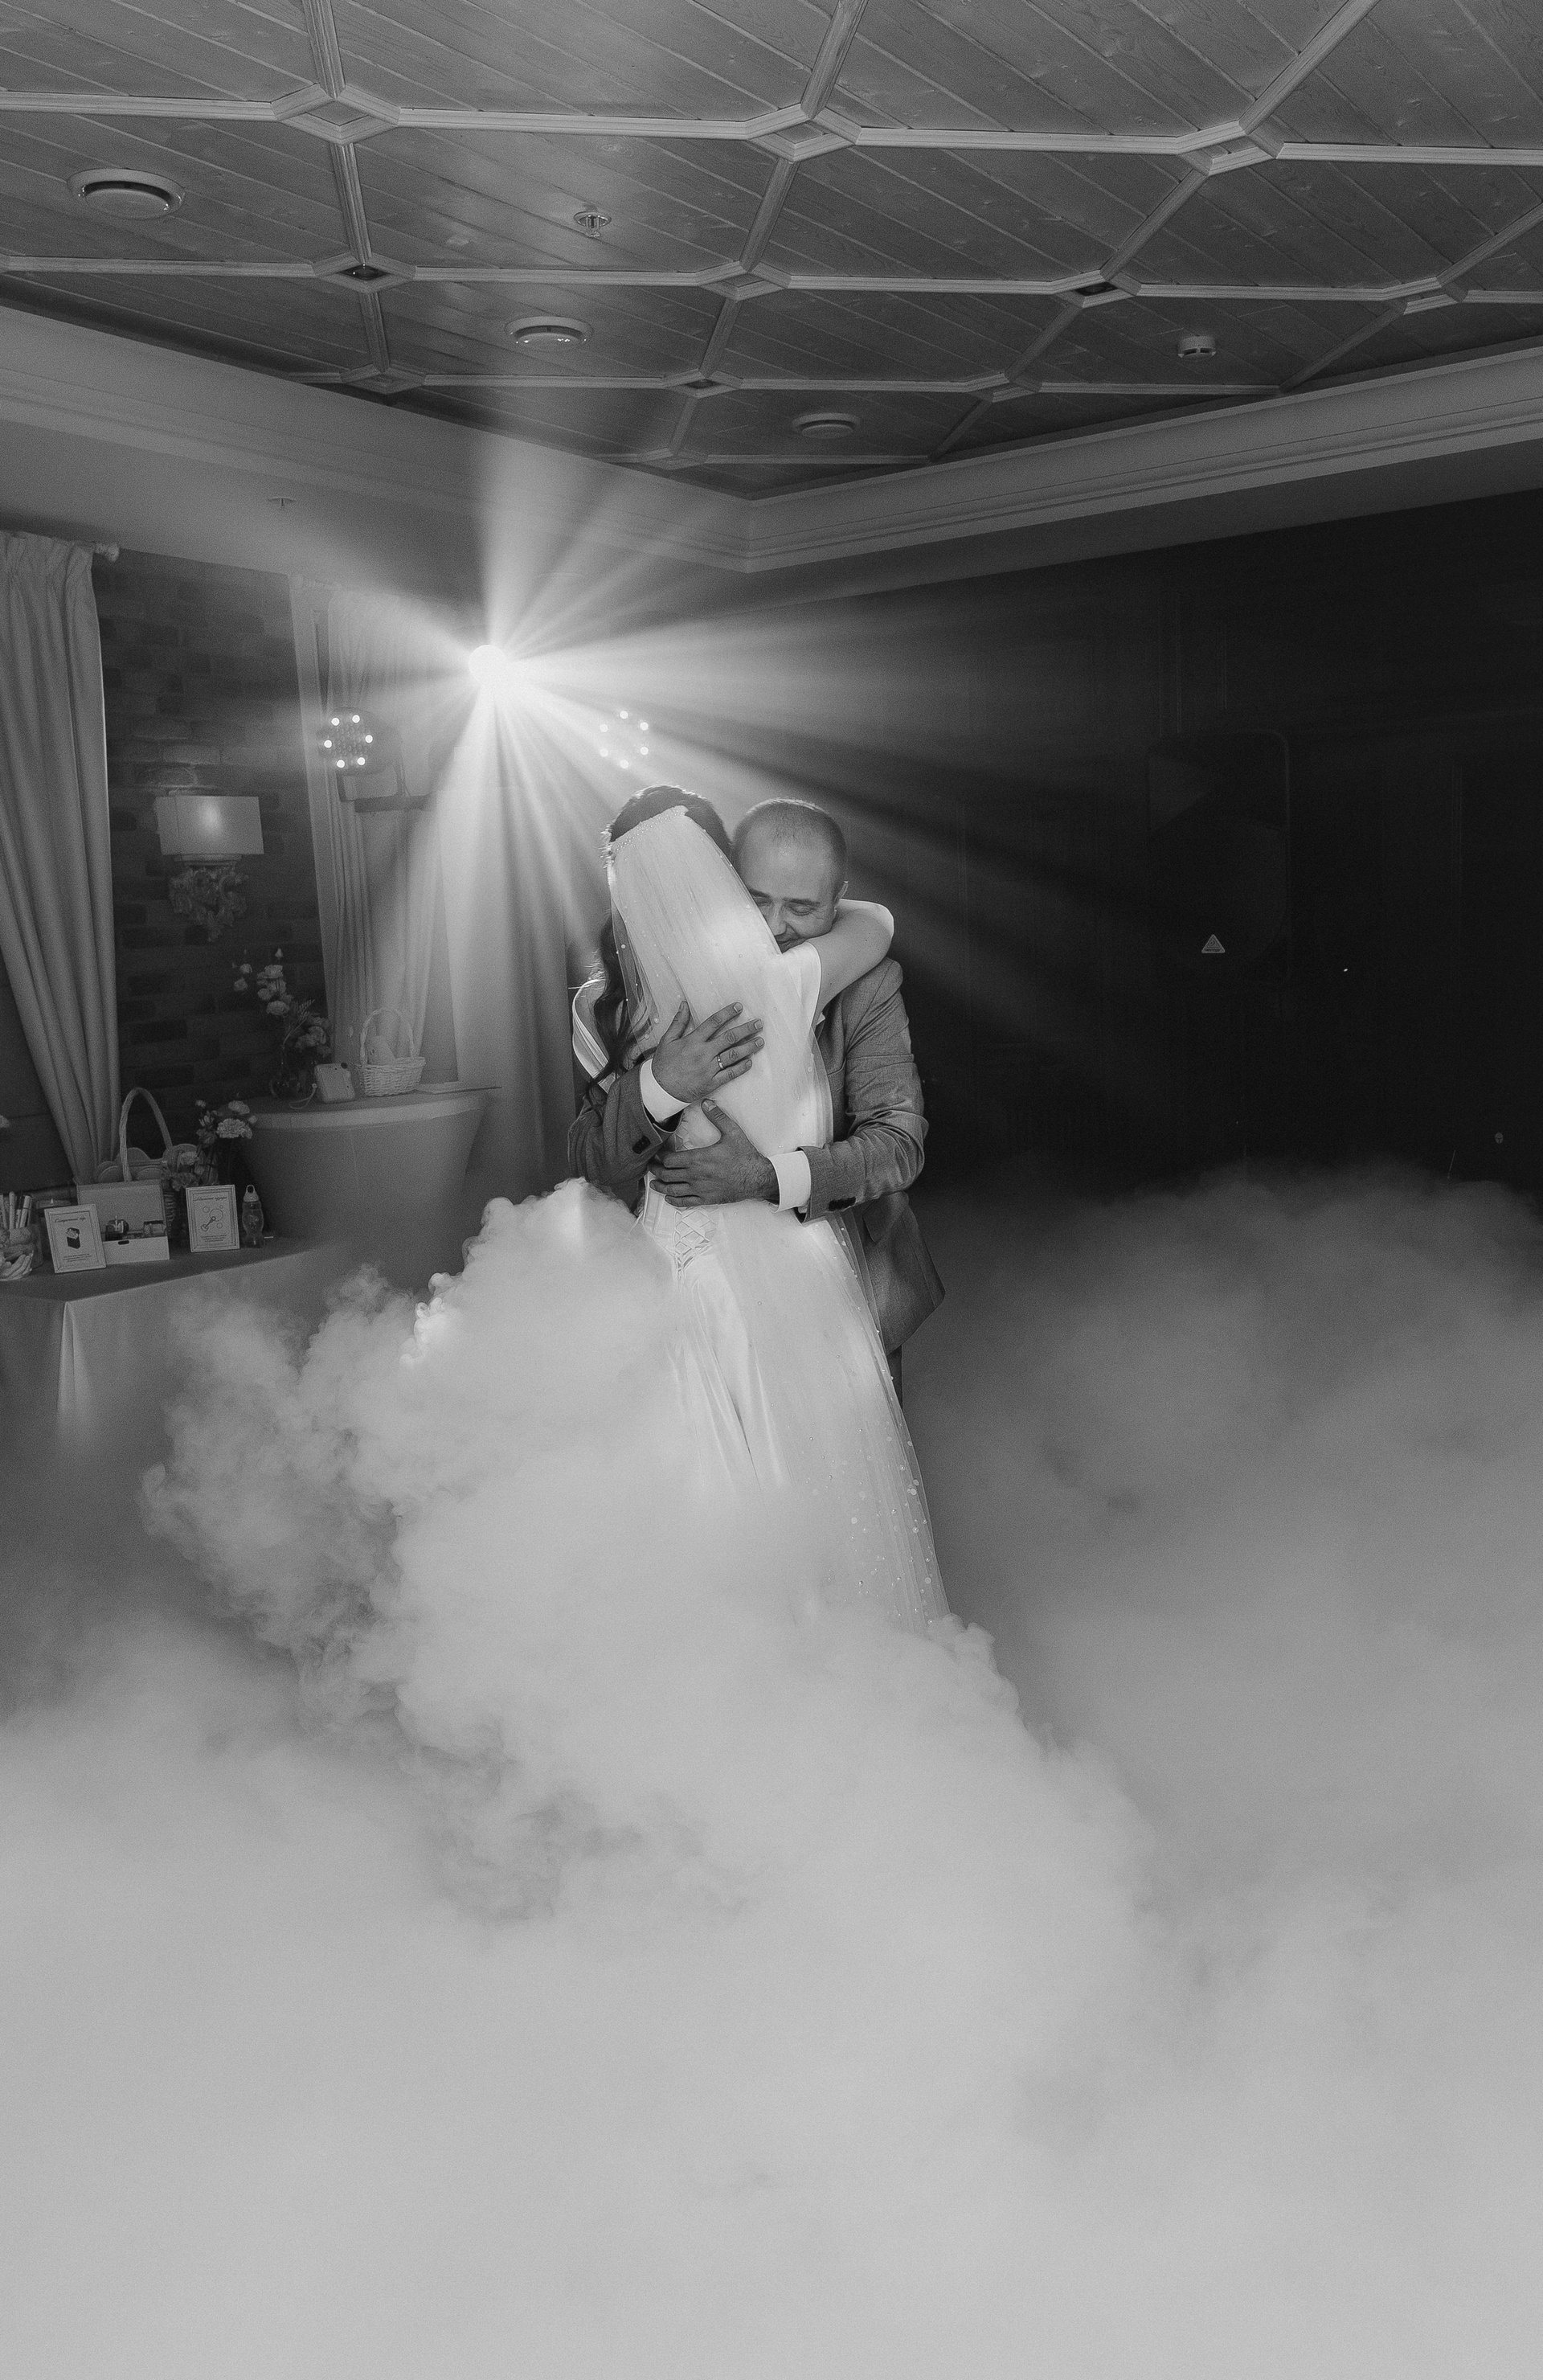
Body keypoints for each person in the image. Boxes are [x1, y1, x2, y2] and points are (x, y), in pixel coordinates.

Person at [570, 784, 945, 1634]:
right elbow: (592, 1161)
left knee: (841, 1522)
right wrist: (660, 1086)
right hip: (676, 1288)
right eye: (756, 898)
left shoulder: (859, 980)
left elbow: (898, 1145)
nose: (775, 926)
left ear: (837, 899)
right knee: (696, 1515)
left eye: (802, 908)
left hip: (838, 1283)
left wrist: (766, 1176)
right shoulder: (607, 1003)